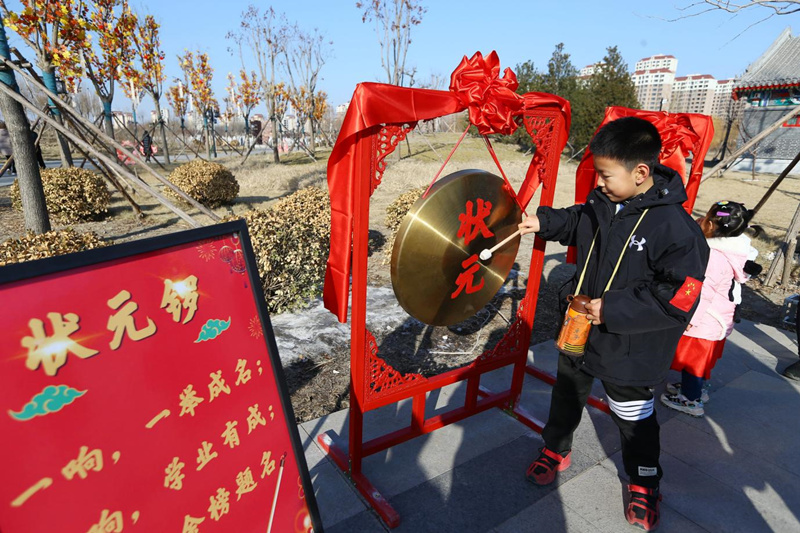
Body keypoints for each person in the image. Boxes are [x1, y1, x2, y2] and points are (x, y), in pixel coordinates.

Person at [519, 117, 709, 531]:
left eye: (606, 174)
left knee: (634, 416)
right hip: (579, 331)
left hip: (630, 347)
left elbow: (678, 297)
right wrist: (545, 223)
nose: (599, 182)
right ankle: (555, 448)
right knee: (567, 395)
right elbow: (579, 221)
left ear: (641, 172)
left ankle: (643, 482)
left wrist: (613, 309)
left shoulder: (677, 230)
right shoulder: (602, 201)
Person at [662, 201, 757, 416]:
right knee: (701, 361)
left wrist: (688, 318)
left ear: (712, 225)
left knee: (692, 362)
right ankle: (695, 389)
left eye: (705, 218)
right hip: (718, 317)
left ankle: (691, 400)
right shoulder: (736, 248)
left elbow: (703, 291)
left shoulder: (713, 256)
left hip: (704, 319)